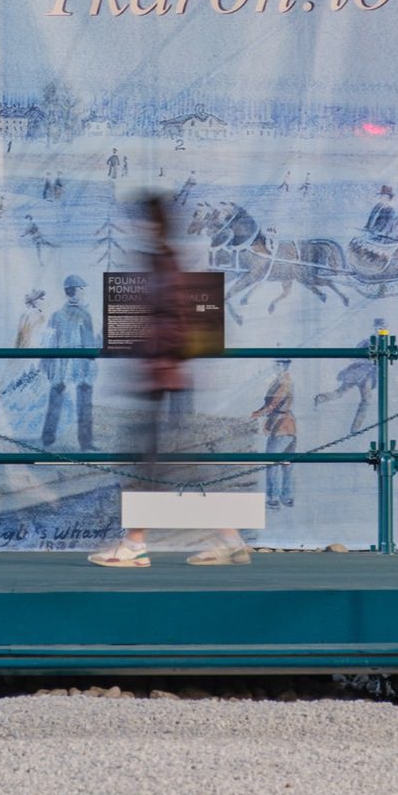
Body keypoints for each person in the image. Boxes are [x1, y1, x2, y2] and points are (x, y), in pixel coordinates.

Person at [92, 194, 245, 567]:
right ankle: (218, 537)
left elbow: (171, 323)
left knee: (163, 463)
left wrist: (151, 360)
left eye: (138, 220)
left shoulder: (162, 263)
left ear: (150, 223)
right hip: (162, 379)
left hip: (163, 381)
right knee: (162, 463)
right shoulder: (162, 260)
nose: (132, 227)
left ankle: (140, 543)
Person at [40, 273, 98, 449]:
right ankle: (86, 443)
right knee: (84, 401)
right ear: (77, 290)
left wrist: (48, 364)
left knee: (57, 399)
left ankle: (47, 439)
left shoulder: (57, 315)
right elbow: (89, 345)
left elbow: (48, 342)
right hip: (80, 365)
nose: (84, 292)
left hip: (61, 366)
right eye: (82, 289)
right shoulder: (84, 315)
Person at [252, 359, 297, 512]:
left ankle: (272, 499)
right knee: (287, 464)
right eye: (275, 363)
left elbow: (273, 404)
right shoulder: (283, 381)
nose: (275, 366)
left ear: (284, 366)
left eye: (278, 364)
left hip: (280, 427)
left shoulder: (284, 382)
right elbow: (270, 404)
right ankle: (287, 497)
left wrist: (258, 414)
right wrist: (259, 411)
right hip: (289, 427)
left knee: (272, 464)